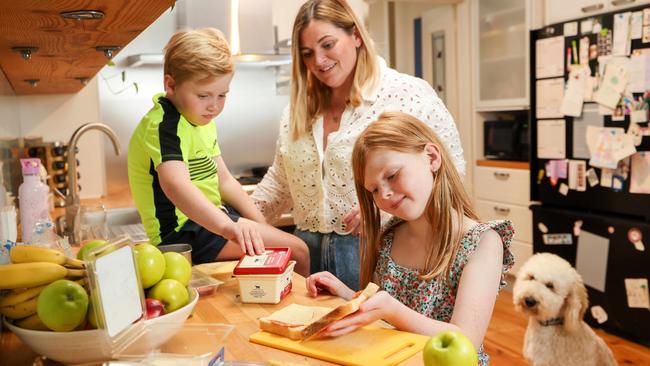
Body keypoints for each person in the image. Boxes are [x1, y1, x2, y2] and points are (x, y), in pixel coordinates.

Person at [252, 0, 465, 290]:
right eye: (307, 53)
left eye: (328, 44)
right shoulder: (297, 111)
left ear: (355, 35)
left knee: (373, 335)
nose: (318, 60)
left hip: (374, 249)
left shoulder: (406, 93)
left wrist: (389, 213)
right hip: (304, 253)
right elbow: (280, 182)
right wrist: (238, 224)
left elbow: (451, 171)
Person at [305, 112, 514, 365]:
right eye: (374, 190)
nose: (385, 195)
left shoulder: (483, 242)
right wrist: (346, 294)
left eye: (392, 175)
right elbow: (383, 313)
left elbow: (466, 339)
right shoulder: (389, 237)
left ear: (431, 157)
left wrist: (391, 310)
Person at [127, 28, 309, 275]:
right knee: (297, 250)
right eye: (203, 95)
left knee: (288, 249)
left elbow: (224, 181)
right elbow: (176, 186)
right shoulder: (163, 126)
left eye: (222, 95)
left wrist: (261, 224)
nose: (214, 106)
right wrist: (227, 227)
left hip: (210, 222)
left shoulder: (201, 121)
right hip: (182, 233)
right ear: (170, 84)